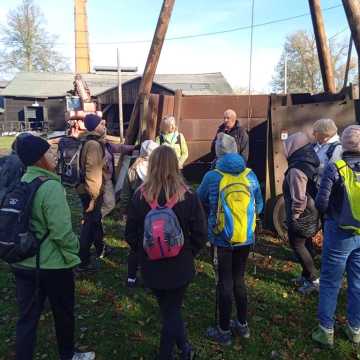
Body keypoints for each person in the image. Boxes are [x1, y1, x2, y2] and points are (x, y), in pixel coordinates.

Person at [12, 134, 95, 360]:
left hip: (22, 262)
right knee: (63, 314)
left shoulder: (21, 182)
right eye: (49, 152)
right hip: (52, 266)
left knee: (27, 318)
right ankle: (67, 355)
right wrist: (76, 249)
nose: (55, 157)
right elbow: (61, 233)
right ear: (40, 158)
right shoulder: (50, 187)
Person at [125, 145, 207, 360]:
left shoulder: (140, 196)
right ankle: (169, 354)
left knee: (168, 310)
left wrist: (143, 252)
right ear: (175, 166)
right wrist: (189, 253)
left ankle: (184, 349)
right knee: (172, 310)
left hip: (152, 266)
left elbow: (131, 233)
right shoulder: (187, 195)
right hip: (180, 264)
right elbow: (200, 232)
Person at [197, 134, 263, 345]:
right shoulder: (250, 175)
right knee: (239, 280)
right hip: (245, 237)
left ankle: (223, 331)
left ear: (218, 152)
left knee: (223, 282)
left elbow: (199, 199)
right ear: (235, 149)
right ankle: (242, 326)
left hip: (221, 237)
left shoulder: (212, 176)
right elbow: (259, 205)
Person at [312, 125, 360, 347]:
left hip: (339, 231)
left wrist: (332, 213)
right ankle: (355, 330)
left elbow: (321, 202)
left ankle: (326, 331)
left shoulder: (335, 168)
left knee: (331, 281)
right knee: (358, 282)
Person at [282, 132, 320, 294]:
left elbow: (299, 196)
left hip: (302, 213)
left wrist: (295, 215)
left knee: (297, 244)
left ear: (294, 147)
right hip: (312, 211)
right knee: (306, 242)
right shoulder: (308, 161)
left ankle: (314, 279)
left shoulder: (297, 169)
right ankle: (306, 276)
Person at [119, 140, 159, 287]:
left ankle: (131, 277)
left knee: (135, 246)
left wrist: (125, 210)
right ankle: (150, 277)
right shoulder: (157, 170)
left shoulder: (133, 169)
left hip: (136, 212)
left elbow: (125, 193)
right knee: (152, 244)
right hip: (154, 213)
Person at [76, 114, 107, 271]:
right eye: (102, 124)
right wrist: (94, 197)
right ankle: (83, 260)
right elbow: (92, 171)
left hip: (88, 189)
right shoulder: (94, 145)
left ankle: (101, 248)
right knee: (89, 224)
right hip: (91, 191)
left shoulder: (89, 141)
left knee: (95, 221)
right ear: (95, 127)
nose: (104, 126)